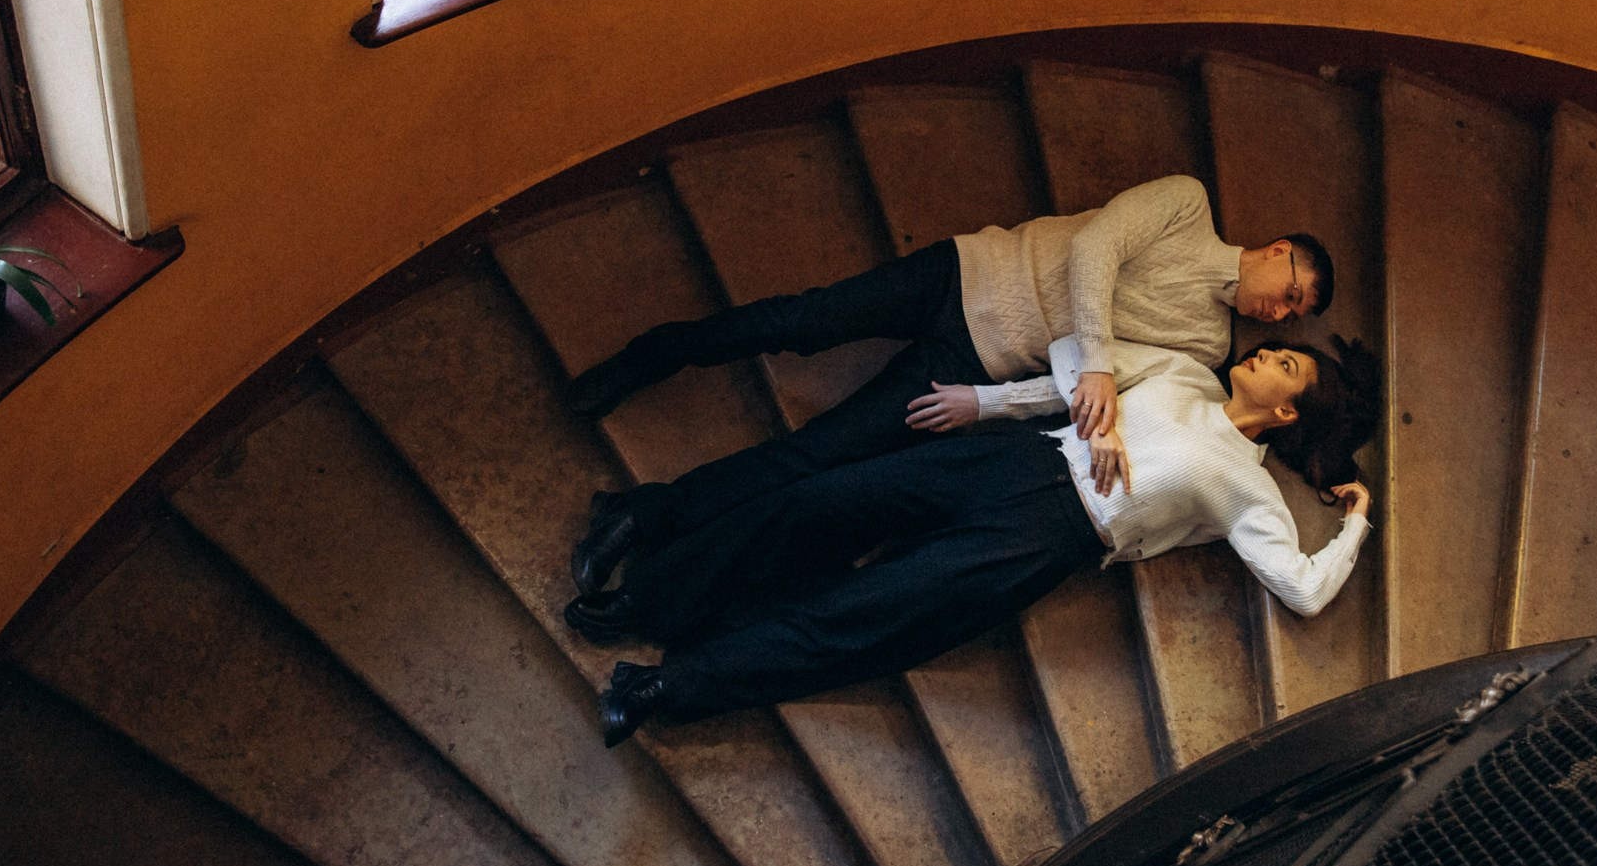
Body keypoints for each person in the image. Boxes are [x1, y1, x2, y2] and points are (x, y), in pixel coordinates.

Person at [561, 173, 1334, 616]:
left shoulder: (1206, 351)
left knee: (815, 455)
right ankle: (649, 354)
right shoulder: (1187, 205)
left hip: (977, 363)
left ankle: (639, 515)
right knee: (793, 322)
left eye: (1294, 313)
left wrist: (1070, 406)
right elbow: (1095, 248)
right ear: (1275, 252)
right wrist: (1097, 362)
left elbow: (1114, 392)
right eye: (1291, 288)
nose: (1283, 309)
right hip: (965, 274)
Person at [586, 334, 1383, 745]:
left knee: (864, 615)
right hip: (1012, 458)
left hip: (1048, 538)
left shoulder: (1249, 487)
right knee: (816, 504)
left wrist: (1355, 521)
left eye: (1285, 366)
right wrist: (999, 404)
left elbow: (1306, 590)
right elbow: (1078, 359)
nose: (1266, 356)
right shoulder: (1184, 375)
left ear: (1286, 414)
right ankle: (646, 599)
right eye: (1279, 350)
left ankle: (661, 690)